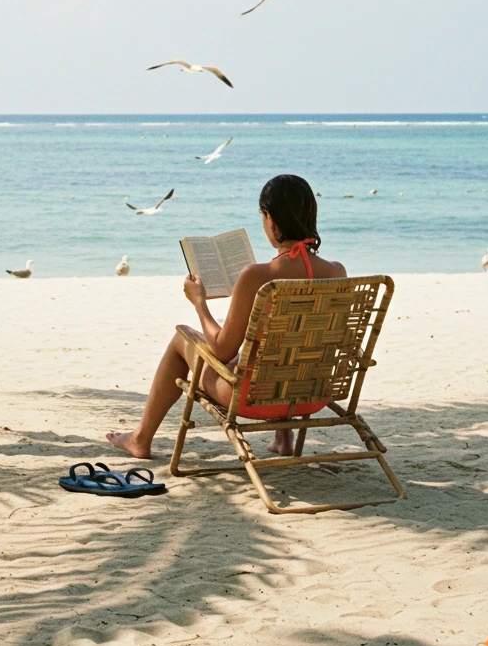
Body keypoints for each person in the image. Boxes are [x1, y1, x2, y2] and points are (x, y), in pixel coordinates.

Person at [107, 174, 346, 460]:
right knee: (283, 345)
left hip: (253, 399)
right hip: (312, 396)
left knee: (181, 338)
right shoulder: (336, 272)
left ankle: (140, 439)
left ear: (270, 219)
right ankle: (284, 436)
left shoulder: (259, 275)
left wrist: (199, 303)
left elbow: (221, 350)